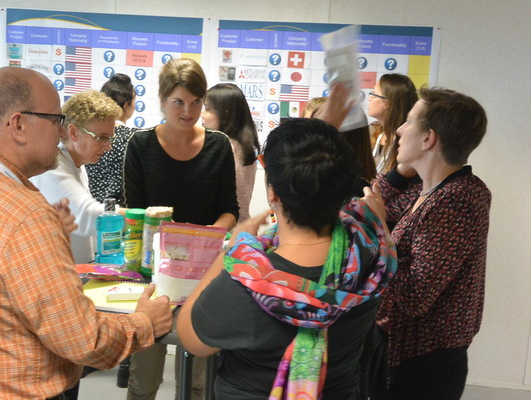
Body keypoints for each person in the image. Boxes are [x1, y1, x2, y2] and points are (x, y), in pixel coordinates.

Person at [0, 67, 173, 400]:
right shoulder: (25, 216)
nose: (62, 132)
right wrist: (145, 322)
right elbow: (84, 340)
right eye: (55, 120)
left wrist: (48, 239)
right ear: (18, 125)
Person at [177, 118, 397, 400]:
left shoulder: (245, 280)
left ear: (273, 193)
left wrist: (232, 251)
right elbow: (373, 227)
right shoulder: (372, 253)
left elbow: (192, 339)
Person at [124, 58, 239, 400]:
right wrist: (166, 232)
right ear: (161, 100)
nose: (188, 111)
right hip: (154, 274)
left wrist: (205, 238)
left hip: (203, 274)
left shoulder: (218, 145)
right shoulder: (141, 146)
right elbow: (136, 211)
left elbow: (229, 210)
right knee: (143, 379)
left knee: (197, 382)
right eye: (179, 102)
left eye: (196, 102)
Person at [374, 88, 490, 399]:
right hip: (402, 356)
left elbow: (415, 296)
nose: (399, 129)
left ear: (429, 139)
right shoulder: (429, 191)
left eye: (408, 122)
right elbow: (372, 204)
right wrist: (400, 171)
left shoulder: (457, 200)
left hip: (422, 367)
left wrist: (379, 231)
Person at [30, 90, 124, 263]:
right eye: (102, 138)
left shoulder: (76, 164)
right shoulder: (53, 167)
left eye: (109, 138)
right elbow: (87, 215)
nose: (108, 146)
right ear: (73, 133)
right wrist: (141, 217)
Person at [201, 83, 260, 222]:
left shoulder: (225, 147)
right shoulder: (244, 146)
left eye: (208, 109)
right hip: (241, 228)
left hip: (224, 230)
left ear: (225, 114)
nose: (202, 115)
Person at [85, 73, 137, 206]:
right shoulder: (133, 139)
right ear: (126, 105)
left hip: (87, 209)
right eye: (134, 102)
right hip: (119, 215)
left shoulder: (87, 136)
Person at [367, 74, 418, 173]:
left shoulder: (409, 142)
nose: (369, 98)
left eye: (373, 94)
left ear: (388, 102)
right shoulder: (371, 131)